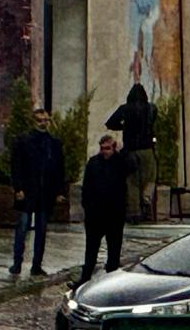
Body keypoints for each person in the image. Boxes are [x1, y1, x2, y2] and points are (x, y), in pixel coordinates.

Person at [10, 108, 66, 276]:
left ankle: (36, 265)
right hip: (27, 191)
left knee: (41, 230)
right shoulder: (23, 141)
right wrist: (18, 188)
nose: (43, 123)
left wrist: (59, 191)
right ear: (33, 122)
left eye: (45, 120)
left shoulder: (54, 143)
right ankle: (17, 263)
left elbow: (59, 170)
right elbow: (16, 166)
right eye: (40, 120)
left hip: (45, 192)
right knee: (22, 228)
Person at [77, 135, 136, 286]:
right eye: (103, 148)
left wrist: (123, 151)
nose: (105, 152)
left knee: (114, 250)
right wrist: (87, 207)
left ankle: (111, 282)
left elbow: (132, 167)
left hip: (114, 213)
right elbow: (87, 186)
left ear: (113, 148)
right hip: (95, 214)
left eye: (108, 148)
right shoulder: (94, 162)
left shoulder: (120, 162)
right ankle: (85, 279)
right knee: (91, 249)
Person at [105, 84, 157, 223]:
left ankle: (134, 213)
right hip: (147, 149)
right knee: (150, 178)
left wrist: (125, 127)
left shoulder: (125, 109)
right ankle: (146, 200)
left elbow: (110, 123)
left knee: (132, 182)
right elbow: (153, 122)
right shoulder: (151, 108)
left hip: (131, 150)